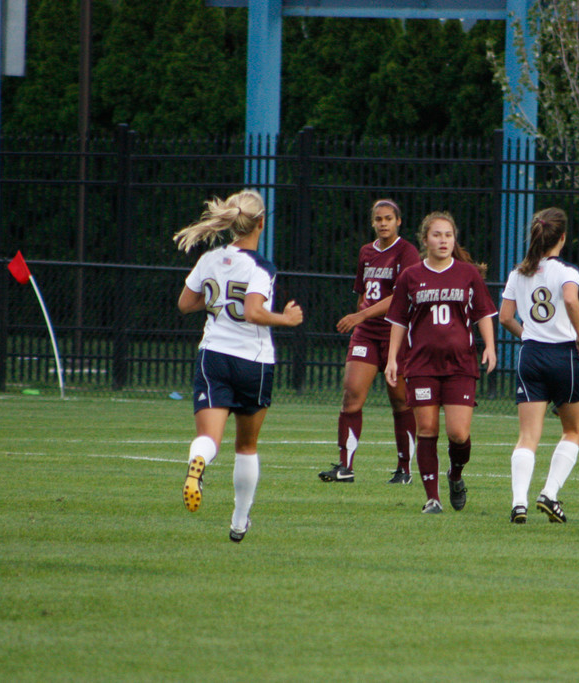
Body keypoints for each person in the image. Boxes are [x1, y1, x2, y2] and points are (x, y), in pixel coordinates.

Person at [174, 189, 304, 542]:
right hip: (253, 361)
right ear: (261, 223)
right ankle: (238, 522)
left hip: (213, 355)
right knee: (246, 446)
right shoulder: (261, 266)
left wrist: (215, 297)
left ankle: (197, 463)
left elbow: (186, 304)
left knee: (208, 437)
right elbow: (252, 311)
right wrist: (287, 319)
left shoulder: (210, 259)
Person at [384, 211, 498, 514]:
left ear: (454, 239)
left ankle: (455, 475)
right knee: (427, 430)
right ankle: (432, 498)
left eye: (448, 235)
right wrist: (392, 358)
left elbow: (483, 313)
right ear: (425, 240)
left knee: (458, 434)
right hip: (421, 366)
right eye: (437, 235)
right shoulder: (410, 276)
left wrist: (490, 347)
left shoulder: (467, 273)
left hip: (460, 364)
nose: (443, 240)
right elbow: (398, 320)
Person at [498, 208, 579, 524]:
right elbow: (570, 299)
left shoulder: (518, 272)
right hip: (563, 355)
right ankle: (549, 494)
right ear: (562, 237)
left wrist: (529, 335)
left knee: (527, 436)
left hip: (531, 356)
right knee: (573, 430)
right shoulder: (566, 271)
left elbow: (505, 317)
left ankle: (518, 503)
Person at [319, 199, 421, 485]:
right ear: (373, 222)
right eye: (378, 219)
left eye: (388, 218)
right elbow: (362, 293)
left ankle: (404, 469)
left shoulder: (407, 251)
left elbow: (400, 296)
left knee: (400, 400)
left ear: (398, 221)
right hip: (366, 333)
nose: (383, 223)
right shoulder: (366, 252)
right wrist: (360, 319)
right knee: (351, 396)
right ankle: (345, 467)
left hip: (395, 334)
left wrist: (359, 315)